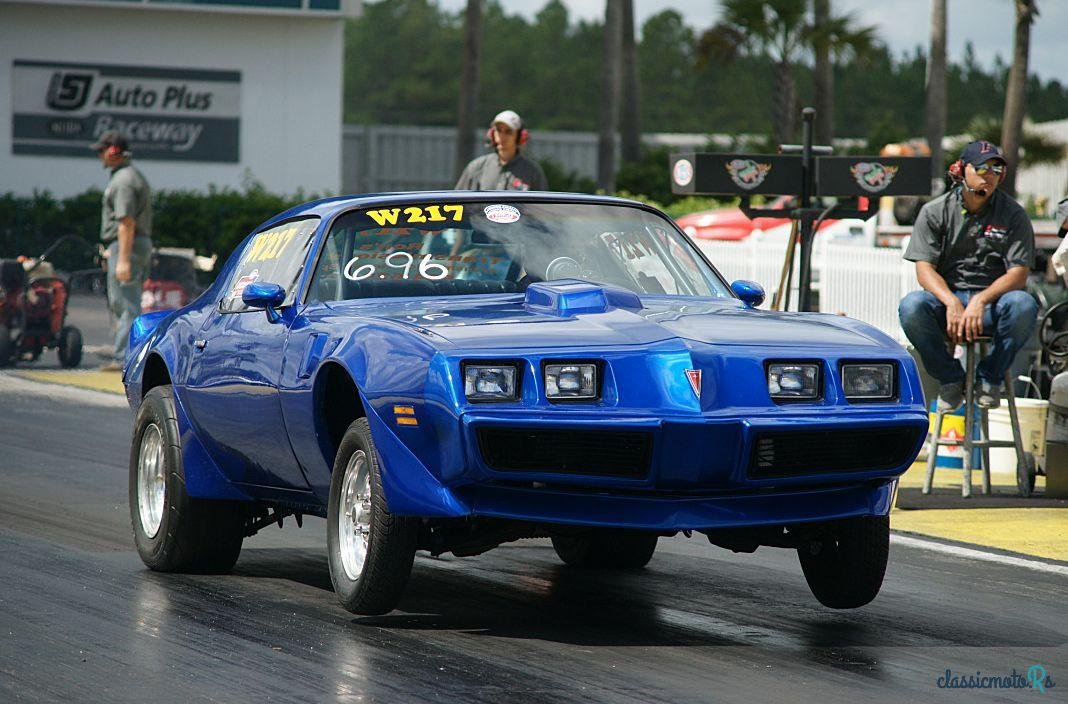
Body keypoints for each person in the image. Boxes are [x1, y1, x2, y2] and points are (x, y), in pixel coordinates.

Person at [899, 140, 1038, 411]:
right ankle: (951, 379)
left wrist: (981, 300)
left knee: (1024, 305)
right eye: (983, 168)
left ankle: (989, 378)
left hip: (993, 305)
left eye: (997, 169)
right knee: (911, 307)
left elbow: (1019, 273)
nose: (990, 175)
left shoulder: (1014, 214)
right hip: (948, 302)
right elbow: (923, 268)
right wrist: (951, 301)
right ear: (962, 170)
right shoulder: (935, 211)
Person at [92, 130, 153, 372]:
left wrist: (123, 259)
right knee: (125, 301)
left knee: (125, 302)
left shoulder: (123, 180)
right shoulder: (128, 175)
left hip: (127, 245)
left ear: (113, 150)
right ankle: (124, 350)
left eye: (101, 150)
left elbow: (126, 222)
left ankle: (124, 356)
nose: (99, 155)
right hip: (131, 244)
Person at [455, 109, 548, 191]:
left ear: (520, 137)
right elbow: (457, 204)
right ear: (491, 133)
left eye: (508, 132)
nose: (501, 137)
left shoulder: (533, 172)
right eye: (498, 130)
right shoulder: (475, 168)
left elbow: (541, 208)